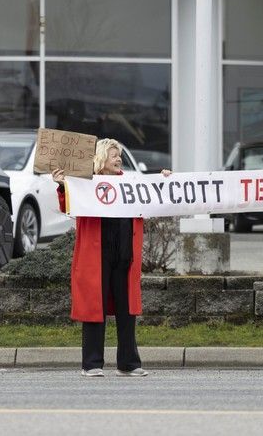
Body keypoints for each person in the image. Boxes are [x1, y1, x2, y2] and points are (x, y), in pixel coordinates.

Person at [52, 138, 150, 378]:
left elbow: (156, 197)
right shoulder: (85, 185)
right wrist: (63, 184)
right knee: (95, 308)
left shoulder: (130, 184)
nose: (118, 159)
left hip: (124, 256)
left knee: (127, 311)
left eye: (119, 155)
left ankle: (128, 363)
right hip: (97, 256)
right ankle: (92, 364)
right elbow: (68, 207)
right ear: (101, 159)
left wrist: (166, 179)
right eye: (113, 155)